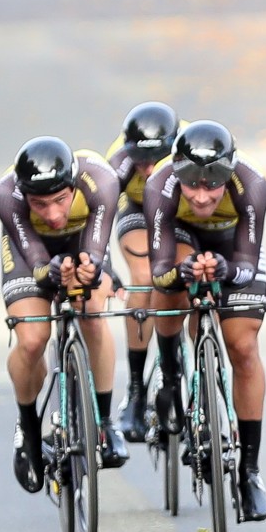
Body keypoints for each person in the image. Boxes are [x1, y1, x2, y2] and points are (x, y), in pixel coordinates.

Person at [144, 120, 266, 522]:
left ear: (229, 173)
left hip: (233, 249)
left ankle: (249, 472)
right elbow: (160, 270)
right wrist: (184, 272)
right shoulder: (160, 186)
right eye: (192, 185)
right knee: (173, 292)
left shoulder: (252, 184)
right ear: (178, 173)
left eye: (212, 185)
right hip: (182, 242)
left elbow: (248, 265)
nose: (201, 197)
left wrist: (224, 269)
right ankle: (170, 372)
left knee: (243, 347)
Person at [0, 136, 130, 494]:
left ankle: (104, 421)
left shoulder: (101, 179)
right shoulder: (6, 194)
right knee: (33, 338)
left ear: (73, 185)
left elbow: (95, 255)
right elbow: (36, 263)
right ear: (25, 196)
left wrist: (89, 270)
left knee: (92, 317)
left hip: (84, 240)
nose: (53, 214)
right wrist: (48, 273)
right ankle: (28, 428)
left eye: (60, 200)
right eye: (39, 204)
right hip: (31, 254)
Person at [106, 101, 183, 442]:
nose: (149, 169)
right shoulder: (119, 164)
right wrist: (104, 267)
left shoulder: (190, 148)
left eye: (158, 159)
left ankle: (182, 371)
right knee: (143, 276)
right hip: (137, 208)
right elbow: (98, 221)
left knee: (183, 276)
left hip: (182, 206)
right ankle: (136, 391)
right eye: (142, 161)